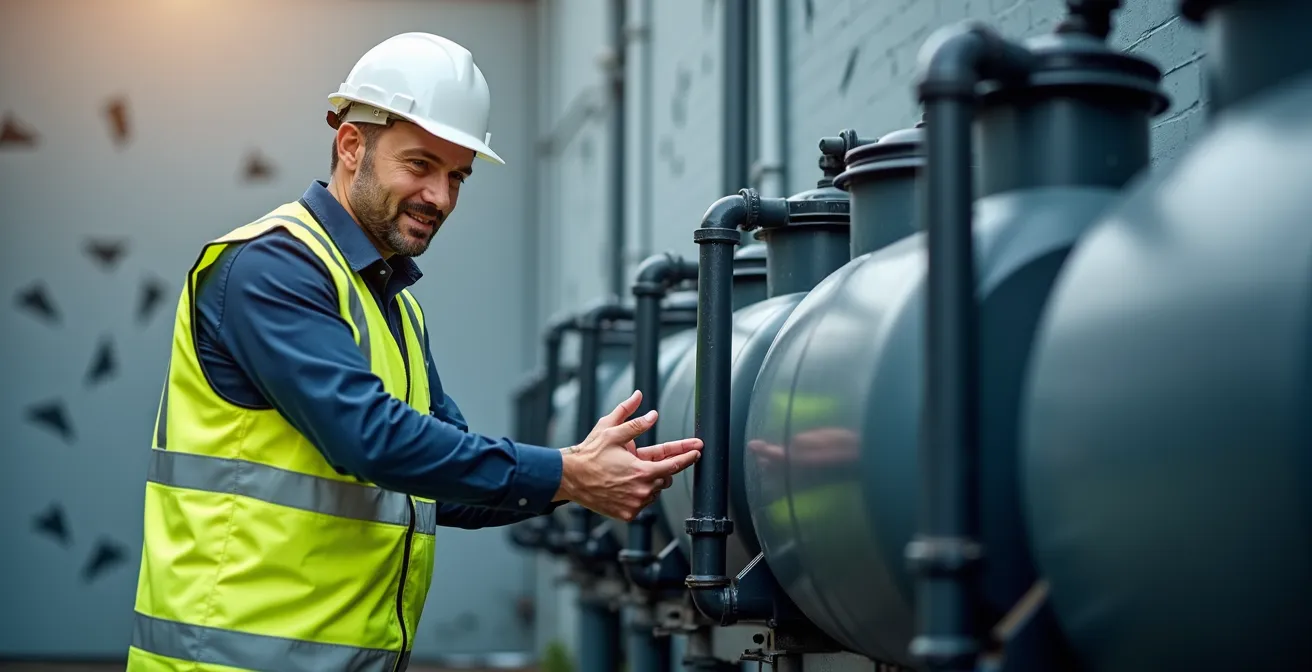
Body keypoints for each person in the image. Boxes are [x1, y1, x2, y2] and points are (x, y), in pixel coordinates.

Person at [126, 32, 702, 672]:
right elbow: (370, 439)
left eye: (457, 175)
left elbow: (441, 486)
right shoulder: (271, 267)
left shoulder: (392, 304)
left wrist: (584, 476)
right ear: (351, 145)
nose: (442, 198)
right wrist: (567, 473)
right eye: (420, 165)